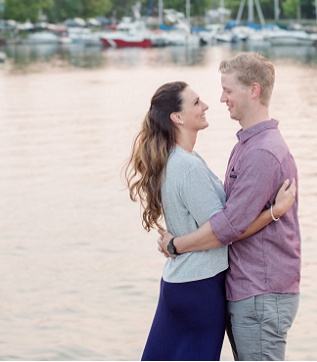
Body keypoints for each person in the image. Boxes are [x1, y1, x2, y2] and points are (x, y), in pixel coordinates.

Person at [126, 81, 296, 361]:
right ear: (177, 117)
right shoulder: (187, 166)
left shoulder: (177, 159)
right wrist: (275, 212)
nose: (206, 106)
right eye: (196, 103)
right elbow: (226, 231)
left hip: (180, 283)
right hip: (199, 287)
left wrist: (175, 245)